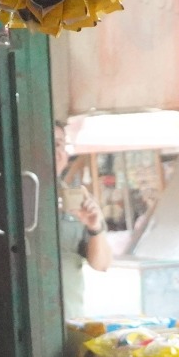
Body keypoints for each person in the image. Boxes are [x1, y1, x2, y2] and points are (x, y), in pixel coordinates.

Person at [54, 122, 112, 319]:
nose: (55, 151)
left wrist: (95, 227)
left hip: (67, 319)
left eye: (59, 144)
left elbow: (102, 264)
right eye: (47, 143)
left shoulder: (77, 200)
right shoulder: (13, 197)